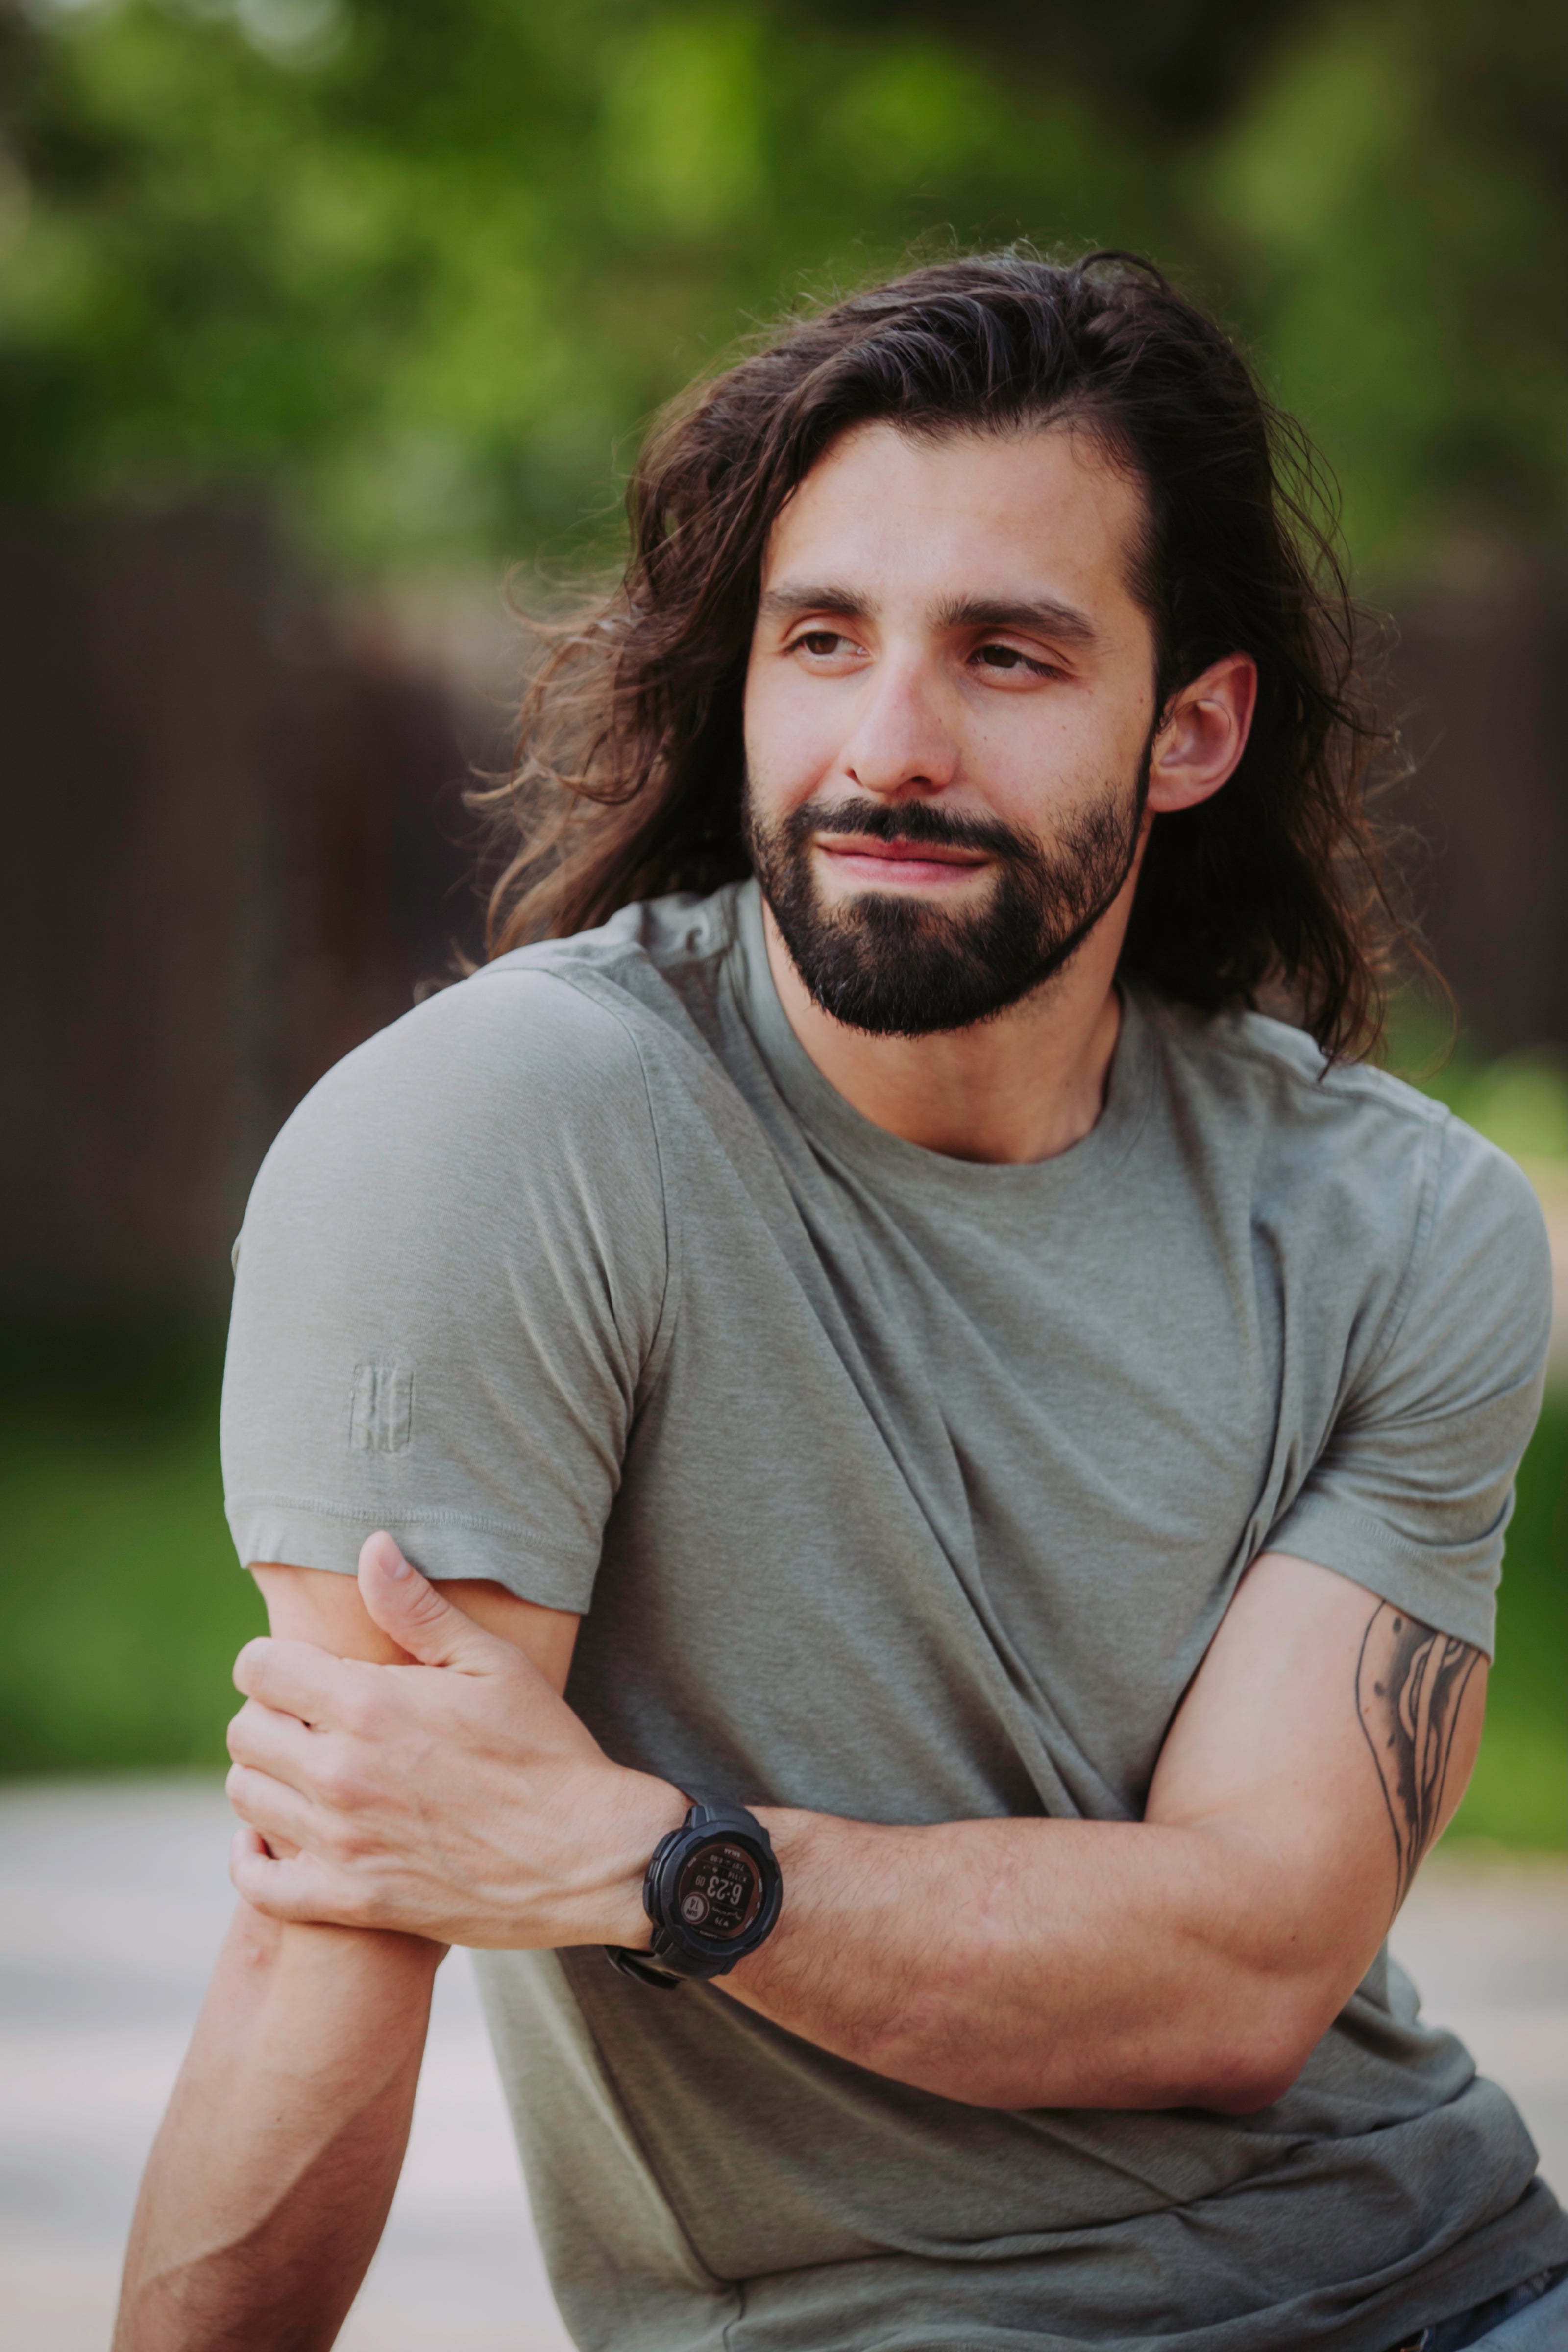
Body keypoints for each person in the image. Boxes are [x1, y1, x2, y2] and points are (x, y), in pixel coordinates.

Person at [115, 253, 1566, 2352]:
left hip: (1448, 2292)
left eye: (1004, 655)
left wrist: (648, 1861)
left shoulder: (1395, 1228)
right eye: (822, 641)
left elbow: (1243, 1973)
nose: (886, 747)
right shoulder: (504, 1139)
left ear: (1190, 729)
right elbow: (334, 1930)